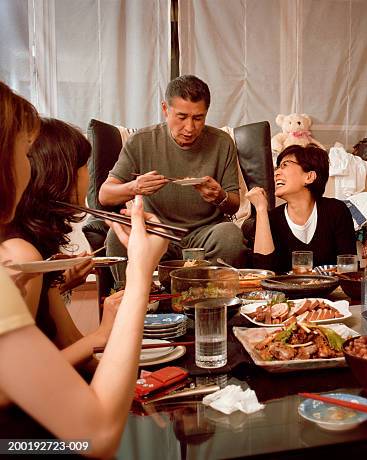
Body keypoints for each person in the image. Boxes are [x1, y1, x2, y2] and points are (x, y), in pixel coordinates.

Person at [0, 81, 168, 457]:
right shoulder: (16, 251)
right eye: (24, 151)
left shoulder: (24, 259)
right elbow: (96, 436)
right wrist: (140, 271)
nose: (28, 166)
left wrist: (56, 290)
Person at [0, 118, 122, 368]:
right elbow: (23, 376)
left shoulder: (39, 248)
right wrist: (103, 333)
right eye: (84, 166)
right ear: (61, 174)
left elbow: (69, 340)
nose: (89, 176)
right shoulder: (22, 255)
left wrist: (140, 384)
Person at [99, 75, 247, 280]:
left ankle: (207, 298)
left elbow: (234, 205)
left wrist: (219, 196)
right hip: (157, 231)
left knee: (230, 235)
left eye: (198, 118)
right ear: (165, 109)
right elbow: (105, 196)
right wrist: (134, 187)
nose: (190, 128)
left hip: (205, 233)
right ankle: (133, 301)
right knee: (117, 235)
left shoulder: (222, 143)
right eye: (182, 116)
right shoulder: (141, 141)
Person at [245, 144, 356, 273]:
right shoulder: (270, 219)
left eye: (285, 165)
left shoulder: (336, 211)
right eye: (277, 168)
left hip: (330, 292)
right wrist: (260, 209)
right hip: (285, 293)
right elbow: (263, 274)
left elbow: (348, 267)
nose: (276, 173)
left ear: (309, 177)